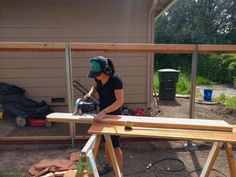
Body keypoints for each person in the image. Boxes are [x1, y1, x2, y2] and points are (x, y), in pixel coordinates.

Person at [85, 56, 124, 176]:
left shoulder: (116, 80)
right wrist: (89, 94)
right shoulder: (98, 79)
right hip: (103, 115)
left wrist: (104, 112)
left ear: (106, 70)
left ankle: (120, 171)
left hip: (114, 115)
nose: (95, 76)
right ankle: (109, 165)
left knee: (115, 145)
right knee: (107, 142)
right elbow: (94, 87)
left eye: (97, 74)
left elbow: (119, 101)